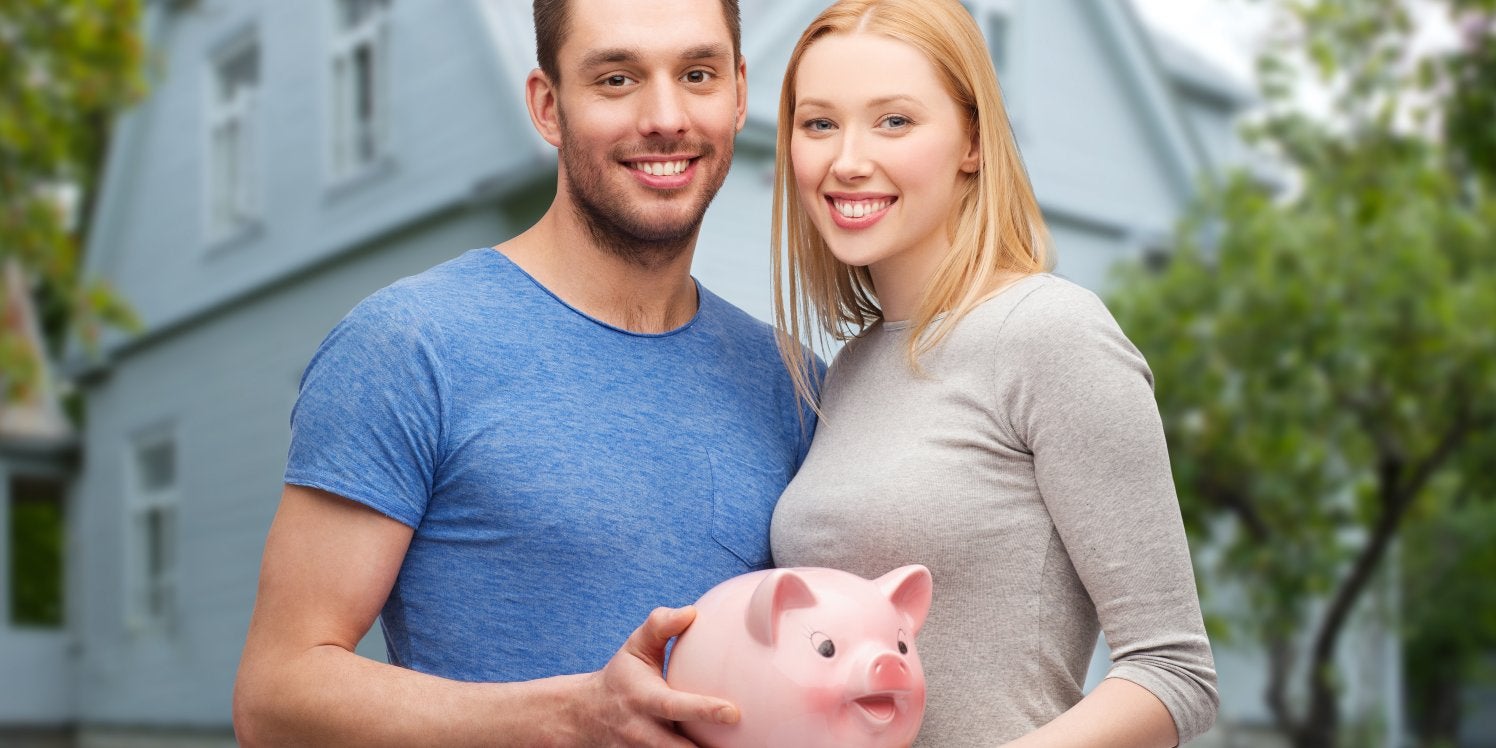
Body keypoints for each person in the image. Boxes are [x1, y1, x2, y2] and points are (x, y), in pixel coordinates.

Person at [232, 0, 814, 745]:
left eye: (696, 74)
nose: (666, 116)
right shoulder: (409, 345)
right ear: (548, 105)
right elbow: (276, 696)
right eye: (616, 79)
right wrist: (568, 719)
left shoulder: (794, 384)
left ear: (737, 93)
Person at [766, 0, 1219, 745]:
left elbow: (1174, 672)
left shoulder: (1052, 334)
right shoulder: (848, 369)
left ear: (972, 141)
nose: (847, 159)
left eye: (894, 121)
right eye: (819, 124)